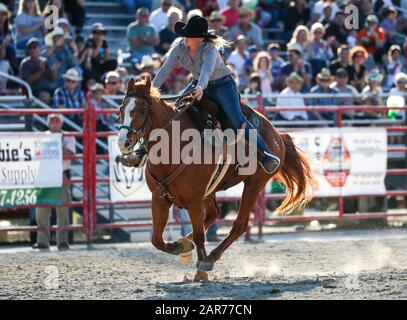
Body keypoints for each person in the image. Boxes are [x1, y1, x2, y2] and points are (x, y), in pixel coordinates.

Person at [136, 15, 281, 174]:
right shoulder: (179, 47)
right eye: (185, 34)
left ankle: (266, 154)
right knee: (176, 112)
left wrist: (200, 87)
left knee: (237, 120)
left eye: (189, 35)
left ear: (200, 38)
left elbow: (207, 70)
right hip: (198, 83)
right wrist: (151, 89)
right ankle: (145, 149)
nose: (185, 38)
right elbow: (165, 69)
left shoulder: (209, 49)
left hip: (222, 84)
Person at [33, 113, 75, 251]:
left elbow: (70, 154)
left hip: (61, 174)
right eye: (52, 121)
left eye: (57, 121)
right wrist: (57, 151)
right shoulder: (41, 137)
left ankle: (62, 242)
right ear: (48, 123)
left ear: (61, 123)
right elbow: (37, 155)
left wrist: (52, 150)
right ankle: (42, 242)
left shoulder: (68, 136)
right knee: (41, 211)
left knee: (62, 211)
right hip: (44, 175)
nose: (55, 123)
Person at [19, 37, 56, 103]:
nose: (32, 50)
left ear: (39, 48)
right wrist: (41, 71)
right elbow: (28, 81)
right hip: (33, 91)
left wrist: (53, 71)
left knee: (59, 94)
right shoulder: (25, 63)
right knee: (45, 96)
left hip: (48, 89)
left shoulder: (45, 61)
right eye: (30, 48)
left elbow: (52, 79)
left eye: (35, 47)